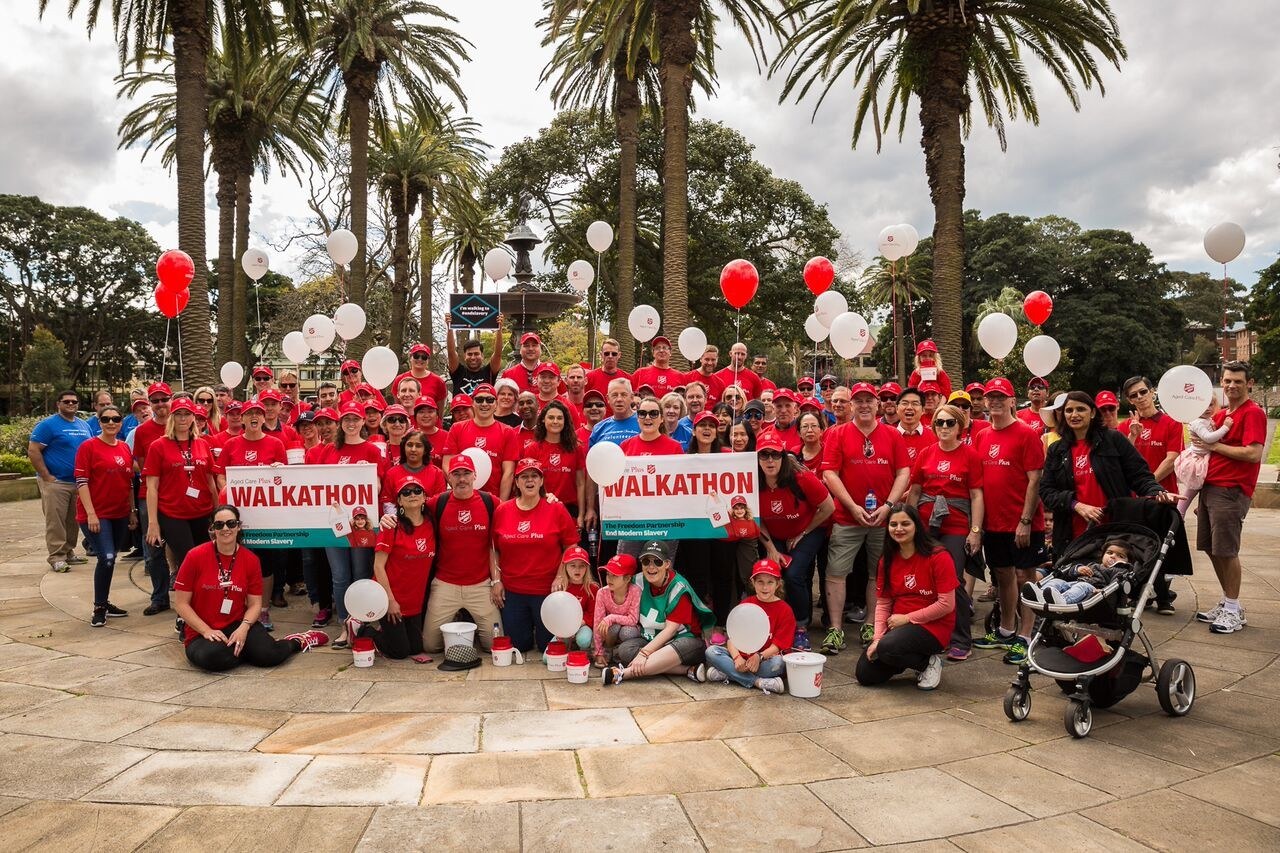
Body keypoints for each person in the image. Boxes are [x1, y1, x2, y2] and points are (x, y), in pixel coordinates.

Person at [173, 505, 328, 671]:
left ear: (239, 526)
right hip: (201, 632)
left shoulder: (251, 560)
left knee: (270, 656)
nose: (226, 529)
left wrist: (244, 628)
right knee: (212, 658)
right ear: (212, 529)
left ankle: (297, 641)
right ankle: (249, 650)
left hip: (237, 623)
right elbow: (181, 604)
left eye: (231, 523)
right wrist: (206, 630)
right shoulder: (195, 556)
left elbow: (255, 604)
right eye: (219, 525)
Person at [820, 382, 911, 654]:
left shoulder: (893, 435)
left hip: (884, 518)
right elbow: (829, 474)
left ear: (878, 404)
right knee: (836, 573)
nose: (863, 405)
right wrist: (851, 506)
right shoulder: (838, 434)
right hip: (847, 518)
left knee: (878, 573)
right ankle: (835, 629)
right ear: (851, 405)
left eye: (868, 400)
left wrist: (889, 505)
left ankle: (872, 623)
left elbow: (904, 472)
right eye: (857, 400)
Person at [1039, 391, 1175, 555]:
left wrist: (1157, 491)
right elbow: (1047, 491)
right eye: (1069, 410)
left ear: (1093, 413)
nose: (1074, 415)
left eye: (1080, 409)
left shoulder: (1114, 439)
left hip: (1114, 533)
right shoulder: (1057, 450)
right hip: (1072, 536)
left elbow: (1140, 475)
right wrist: (1076, 505)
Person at [972, 378, 1047, 665]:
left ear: (1012, 400)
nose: (994, 402)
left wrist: (1025, 520)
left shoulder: (1026, 434)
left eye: (1000, 397)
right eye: (991, 397)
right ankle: (1005, 629)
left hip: (1023, 523)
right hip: (994, 523)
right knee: (1002, 575)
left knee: (1026, 577)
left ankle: (1025, 637)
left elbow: (1035, 480)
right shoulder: (982, 435)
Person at [1192, 361, 1266, 635]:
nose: (1232, 385)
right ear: (1221, 383)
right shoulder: (1222, 414)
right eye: (1227, 381)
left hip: (1231, 489)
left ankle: (1233, 609)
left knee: (1226, 549)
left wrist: (1215, 445)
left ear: (1250, 383)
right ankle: (1228, 600)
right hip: (1211, 488)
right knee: (1211, 548)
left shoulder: (1252, 413)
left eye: (1237, 381)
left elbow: (1253, 454)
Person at [908, 403, 984, 662]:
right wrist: (908, 525)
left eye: (950, 422)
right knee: (926, 581)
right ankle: (935, 635)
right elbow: (916, 491)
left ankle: (962, 638)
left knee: (953, 580)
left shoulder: (970, 455)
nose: (943, 427)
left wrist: (975, 531)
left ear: (960, 426)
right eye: (939, 422)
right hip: (926, 523)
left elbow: (976, 495)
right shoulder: (926, 453)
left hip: (956, 525)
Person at [857, 503, 956, 690]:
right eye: (893, 524)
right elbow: (884, 602)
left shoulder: (939, 556)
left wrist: (908, 618)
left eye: (905, 523)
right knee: (865, 673)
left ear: (917, 526)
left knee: (888, 647)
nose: (899, 529)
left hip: (933, 625)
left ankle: (928, 663)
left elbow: (946, 604)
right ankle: (903, 655)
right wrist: (877, 638)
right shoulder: (887, 559)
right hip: (897, 626)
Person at [315, 401, 386, 648]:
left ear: (363, 421)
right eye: (347, 419)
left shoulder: (371, 451)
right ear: (340, 423)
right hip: (334, 525)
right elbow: (314, 483)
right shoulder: (328, 450)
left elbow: (376, 487)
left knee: (360, 574)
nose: (352, 423)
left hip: (360, 525)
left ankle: (361, 622)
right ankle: (345, 624)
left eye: (356, 419)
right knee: (340, 577)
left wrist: (366, 477)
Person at [490, 458, 580, 651]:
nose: (529, 481)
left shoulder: (556, 508)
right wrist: (496, 580)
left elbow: (571, 546)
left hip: (547, 591)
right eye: (524, 476)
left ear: (541, 481)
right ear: (516, 482)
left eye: (534, 476)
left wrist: (561, 575)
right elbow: (494, 548)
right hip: (513, 591)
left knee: (547, 647)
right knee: (519, 645)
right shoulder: (503, 510)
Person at [756, 434, 834, 651]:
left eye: (775, 455)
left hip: (808, 531)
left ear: (783, 457)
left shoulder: (801, 478)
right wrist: (770, 548)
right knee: (772, 572)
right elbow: (755, 518)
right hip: (775, 535)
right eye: (764, 455)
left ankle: (800, 627)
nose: (770, 460)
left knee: (794, 573)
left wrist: (804, 532)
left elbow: (828, 507)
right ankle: (775, 623)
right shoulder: (754, 481)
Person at [215, 400, 290, 625]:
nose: (255, 417)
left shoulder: (276, 444)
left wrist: (281, 471)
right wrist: (228, 495)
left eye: (258, 412)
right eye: (250, 414)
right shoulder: (231, 445)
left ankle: (263, 609)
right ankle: (240, 609)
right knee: (238, 562)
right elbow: (220, 476)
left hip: (266, 518)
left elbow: (284, 481)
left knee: (265, 564)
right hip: (238, 517)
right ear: (243, 418)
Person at [601, 540, 714, 685]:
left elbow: (670, 631)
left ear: (667, 564)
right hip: (652, 639)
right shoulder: (638, 581)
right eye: (646, 561)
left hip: (684, 641)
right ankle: (687, 670)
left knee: (684, 645)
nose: (651, 567)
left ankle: (622, 673)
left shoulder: (678, 587)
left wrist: (644, 653)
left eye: (657, 562)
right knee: (625, 650)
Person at [423, 455, 502, 651]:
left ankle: (468, 628)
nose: (462, 479)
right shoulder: (437, 503)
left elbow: (518, 509)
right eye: (456, 474)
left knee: (495, 645)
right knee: (431, 646)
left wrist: (496, 580)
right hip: (445, 584)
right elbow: (410, 510)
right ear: (448, 478)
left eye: (466, 473)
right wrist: (388, 518)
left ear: (475, 475)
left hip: (481, 585)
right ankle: (459, 621)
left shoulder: (489, 501)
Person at [143, 398, 217, 594]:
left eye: (187, 414)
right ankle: (189, 606)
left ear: (194, 417)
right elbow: (152, 487)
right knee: (189, 558)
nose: (183, 418)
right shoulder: (158, 446)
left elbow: (210, 482)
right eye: (178, 414)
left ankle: (202, 600)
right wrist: (153, 522)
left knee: (205, 558)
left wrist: (218, 514)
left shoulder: (202, 444)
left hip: (202, 512)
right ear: (171, 417)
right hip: (172, 513)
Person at [363, 475, 436, 662]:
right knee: (399, 652)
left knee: (416, 648)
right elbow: (378, 566)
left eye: (417, 490)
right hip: (390, 598)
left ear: (424, 497)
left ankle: (389, 630)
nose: (412, 494)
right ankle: (363, 630)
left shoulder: (431, 524)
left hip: (415, 601)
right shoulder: (391, 526)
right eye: (406, 492)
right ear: (399, 501)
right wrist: (390, 601)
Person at [74, 404, 135, 625]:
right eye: (106, 419)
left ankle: (104, 600)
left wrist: (132, 512)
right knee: (106, 557)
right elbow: (81, 482)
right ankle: (99, 607)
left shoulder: (124, 448)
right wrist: (91, 514)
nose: (111, 423)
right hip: (96, 515)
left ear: (121, 422)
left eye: (116, 419)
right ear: (98, 422)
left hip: (119, 513)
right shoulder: (88, 447)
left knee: (111, 558)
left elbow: (128, 482)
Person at [698, 559, 793, 694]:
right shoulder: (746, 604)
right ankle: (758, 682)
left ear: (778, 584)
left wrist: (759, 657)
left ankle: (727, 674)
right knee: (711, 652)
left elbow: (778, 645)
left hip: (765, 660)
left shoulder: (785, 610)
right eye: (760, 582)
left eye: (770, 582)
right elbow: (732, 638)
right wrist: (737, 658)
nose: (765, 587)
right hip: (741, 659)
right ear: (753, 583)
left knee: (779, 663)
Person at [28, 388, 93, 572]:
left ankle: (68, 551)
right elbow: (33, 450)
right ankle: (56, 556)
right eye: (66, 401)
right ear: (58, 404)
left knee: (74, 520)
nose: (71, 404)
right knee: (55, 521)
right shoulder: (47, 425)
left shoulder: (83, 425)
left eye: (74, 401)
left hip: (78, 482)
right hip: (56, 482)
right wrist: (47, 476)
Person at [443, 383, 517, 498]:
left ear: (496, 404)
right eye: (479, 399)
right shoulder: (457, 429)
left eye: (489, 400)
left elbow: (508, 473)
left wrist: (501, 505)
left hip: (493, 499)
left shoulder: (508, 432)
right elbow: (447, 465)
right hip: (462, 498)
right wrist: (460, 490)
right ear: (472, 403)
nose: (484, 404)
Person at [528, 400, 588, 527]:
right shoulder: (532, 449)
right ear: (543, 420)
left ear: (565, 421)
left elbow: (581, 483)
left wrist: (581, 515)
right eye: (551, 417)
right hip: (540, 508)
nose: (555, 421)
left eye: (560, 418)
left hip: (570, 510)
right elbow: (528, 483)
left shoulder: (576, 448)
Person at [1121, 375, 1182, 495]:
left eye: (1143, 392)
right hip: (1134, 499)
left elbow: (1171, 460)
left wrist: (1148, 486)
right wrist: (1132, 437)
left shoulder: (1173, 423)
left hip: (1164, 495)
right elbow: (1122, 461)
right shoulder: (1123, 427)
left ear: (1152, 391)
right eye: (1134, 395)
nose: (1139, 397)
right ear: (1129, 400)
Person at [1033, 537, 1132, 605]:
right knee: (1057, 582)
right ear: (1102, 555)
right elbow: (1068, 574)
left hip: (1094, 591)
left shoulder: (1120, 571)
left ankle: (1063, 600)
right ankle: (1040, 594)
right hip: (1075, 584)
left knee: (1082, 586)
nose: (1113, 556)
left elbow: (1116, 583)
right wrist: (1078, 569)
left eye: (1120, 556)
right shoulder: (1093, 565)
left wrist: (1105, 592)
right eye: (1109, 553)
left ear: (1128, 561)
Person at [1175, 399, 1231, 516]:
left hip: (1204, 457)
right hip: (1198, 460)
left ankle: (1199, 508)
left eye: (1210, 405)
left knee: (1199, 486)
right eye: (1203, 405)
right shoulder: (1198, 422)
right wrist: (1225, 428)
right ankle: (1180, 512)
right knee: (1192, 488)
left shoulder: (1206, 420)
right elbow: (1209, 438)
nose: (1207, 408)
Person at [591, 554, 642, 667]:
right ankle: (608, 650)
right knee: (613, 628)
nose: (609, 579)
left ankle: (621, 653)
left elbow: (633, 619)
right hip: (611, 633)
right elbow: (597, 623)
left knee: (626, 632)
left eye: (614, 575)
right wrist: (599, 652)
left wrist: (611, 617)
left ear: (628, 578)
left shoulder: (635, 591)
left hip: (629, 630)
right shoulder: (602, 593)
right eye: (608, 574)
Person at [551, 545, 598, 650]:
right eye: (572, 565)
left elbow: (592, 614)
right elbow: (555, 612)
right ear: (565, 567)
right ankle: (570, 644)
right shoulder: (561, 587)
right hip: (565, 626)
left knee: (584, 640)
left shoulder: (592, 588)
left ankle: (581, 647)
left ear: (587, 567)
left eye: (582, 566)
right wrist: (563, 628)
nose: (577, 570)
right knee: (547, 658)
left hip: (583, 625)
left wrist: (577, 625)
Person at [447, 314, 503, 395]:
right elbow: (451, 353)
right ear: (464, 356)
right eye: (469, 354)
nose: (473, 357)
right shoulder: (458, 372)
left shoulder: (489, 372)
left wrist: (499, 328)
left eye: (476, 354)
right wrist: (449, 328)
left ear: (482, 356)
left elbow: (498, 354)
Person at [393, 342, 448, 409]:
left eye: (424, 357)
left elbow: (439, 412)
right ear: (410, 358)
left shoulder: (438, 381)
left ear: (428, 360)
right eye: (416, 356)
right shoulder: (399, 380)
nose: (420, 359)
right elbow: (397, 407)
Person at [588, 378, 640, 447]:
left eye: (624, 395)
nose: (619, 399)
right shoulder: (598, 429)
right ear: (608, 399)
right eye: (614, 395)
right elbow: (593, 456)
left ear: (632, 397)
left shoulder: (644, 422)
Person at [894, 387, 937, 464]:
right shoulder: (889, 436)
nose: (909, 407)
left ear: (923, 410)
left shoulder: (935, 437)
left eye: (915, 404)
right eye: (905, 403)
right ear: (897, 408)